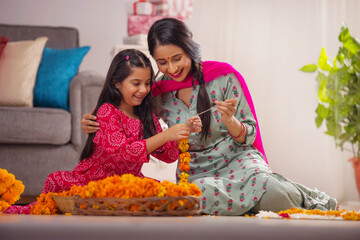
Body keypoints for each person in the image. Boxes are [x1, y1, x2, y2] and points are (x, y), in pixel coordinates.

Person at [81, 18, 338, 216]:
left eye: (177, 58)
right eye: (162, 62)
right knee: (195, 196)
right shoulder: (156, 93)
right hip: (197, 171)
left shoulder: (224, 76)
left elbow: (249, 134)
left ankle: (291, 195)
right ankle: (249, 203)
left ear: (189, 48)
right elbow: (125, 113)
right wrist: (95, 122)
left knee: (279, 198)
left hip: (239, 159)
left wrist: (231, 121)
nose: (171, 69)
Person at [4, 49, 201, 214]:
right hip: (95, 181)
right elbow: (125, 152)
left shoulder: (146, 114)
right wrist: (166, 134)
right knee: (58, 181)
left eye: (148, 83)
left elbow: (168, 155)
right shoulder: (107, 111)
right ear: (116, 83)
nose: (143, 89)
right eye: (136, 83)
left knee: (164, 192)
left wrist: (183, 133)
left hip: (127, 183)